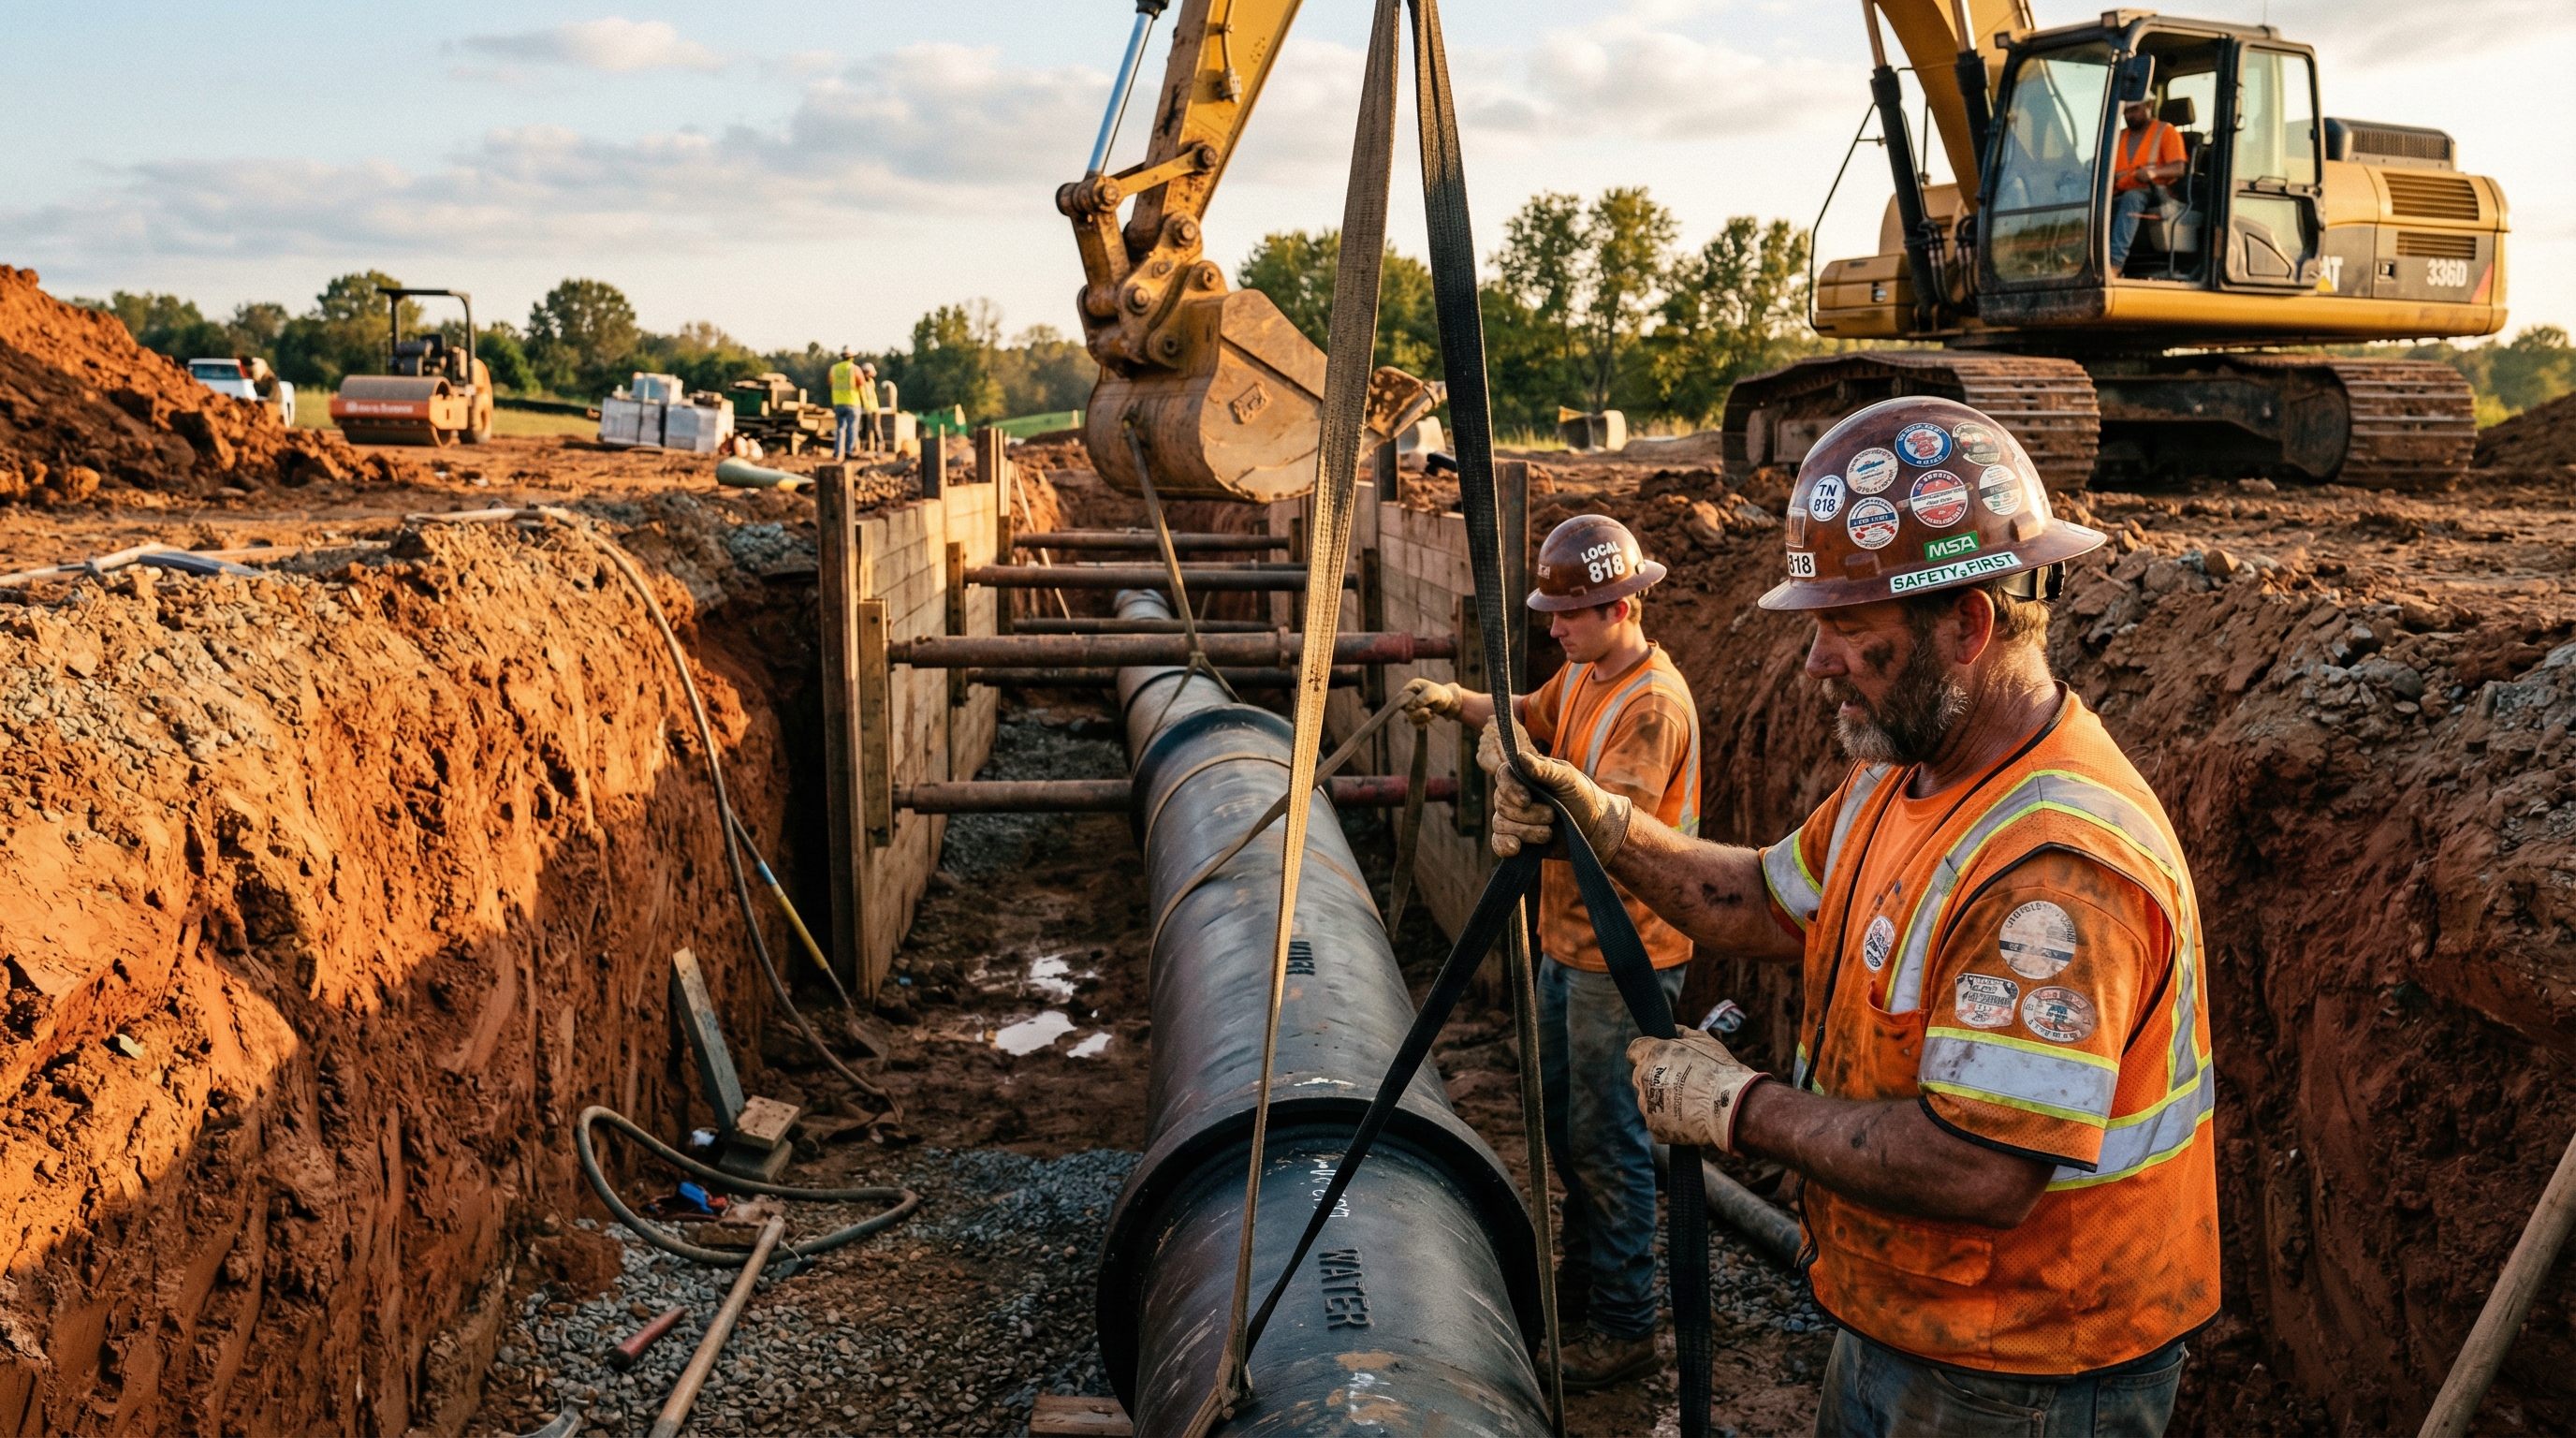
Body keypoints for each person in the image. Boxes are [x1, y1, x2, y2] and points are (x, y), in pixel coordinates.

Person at [1482, 397, 2217, 1437]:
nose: (1815, 663)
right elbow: (1760, 899)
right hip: (1908, 1318)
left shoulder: (2050, 870)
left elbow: (1980, 1166)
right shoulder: (1903, 777)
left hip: (2028, 1367)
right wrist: (1603, 824)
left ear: (1966, 625)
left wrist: (1737, 1107)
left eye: (1847, 630)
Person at [1406, 514, 1702, 1394]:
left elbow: (1619, 833)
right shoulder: (1584, 673)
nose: (1553, 628)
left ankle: (1621, 1326)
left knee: (1606, 1141)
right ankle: (1581, 1289)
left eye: (1568, 614)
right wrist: (1459, 704)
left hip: (1624, 957)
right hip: (1567, 945)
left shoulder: (1651, 703)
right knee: (1568, 1122)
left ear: (1618, 604)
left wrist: (1526, 780)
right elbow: (1531, 715)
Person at [2108, 96, 2187, 271]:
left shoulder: (2165, 131)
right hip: (2121, 192)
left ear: (2148, 105)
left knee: (2133, 197)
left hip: (2157, 193)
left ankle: (2115, 263)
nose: (2129, 115)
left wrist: (2153, 172)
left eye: (2134, 109)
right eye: (2125, 111)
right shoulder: (2118, 136)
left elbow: (2179, 168)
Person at [829, 349, 866, 459]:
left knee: (840, 428)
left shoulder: (834, 369)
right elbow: (861, 384)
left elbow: (830, 383)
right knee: (852, 427)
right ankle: (849, 451)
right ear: (852, 358)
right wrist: (864, 403)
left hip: (838, 403)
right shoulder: (855, 369)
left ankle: (837, 452)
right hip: (853, 403)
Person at [856, 360, 882, 453]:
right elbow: (862, 396)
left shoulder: (871, 382)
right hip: (865, 410)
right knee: (864, 429)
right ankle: (863, 449)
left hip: (874, 409)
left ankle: (879, 449)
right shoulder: (861, 383)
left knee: (876, 428)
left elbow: (871, 396)